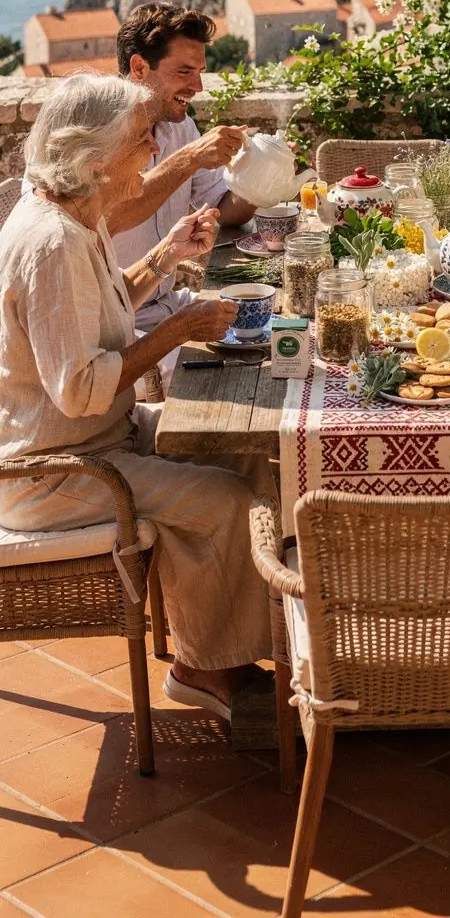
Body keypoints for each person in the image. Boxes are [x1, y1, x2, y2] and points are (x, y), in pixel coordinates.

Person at [0, 73, 271, 718]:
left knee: (247, 451)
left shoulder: (71, 213)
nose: (154, 149)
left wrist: (167, 254)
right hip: (53, 471)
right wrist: (178, 330)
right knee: (226, 501)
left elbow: (101, 307)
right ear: (94, 156)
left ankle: (216, 637)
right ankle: (208, 669)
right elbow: (80, 388)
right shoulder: (53, 243)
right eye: (141, 138)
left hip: (97, 438)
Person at [105, 4, 257, 379]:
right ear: (139, 68)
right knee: (229, 376)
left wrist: (261, 177)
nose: (198, 87)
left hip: (168, 302)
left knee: (265, 330)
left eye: (199, 72)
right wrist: (190, 158)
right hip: (118, 331)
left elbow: (226, 207)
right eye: (184, 72)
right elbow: (111, 218)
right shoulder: (99, 136)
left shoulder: (179, 126)